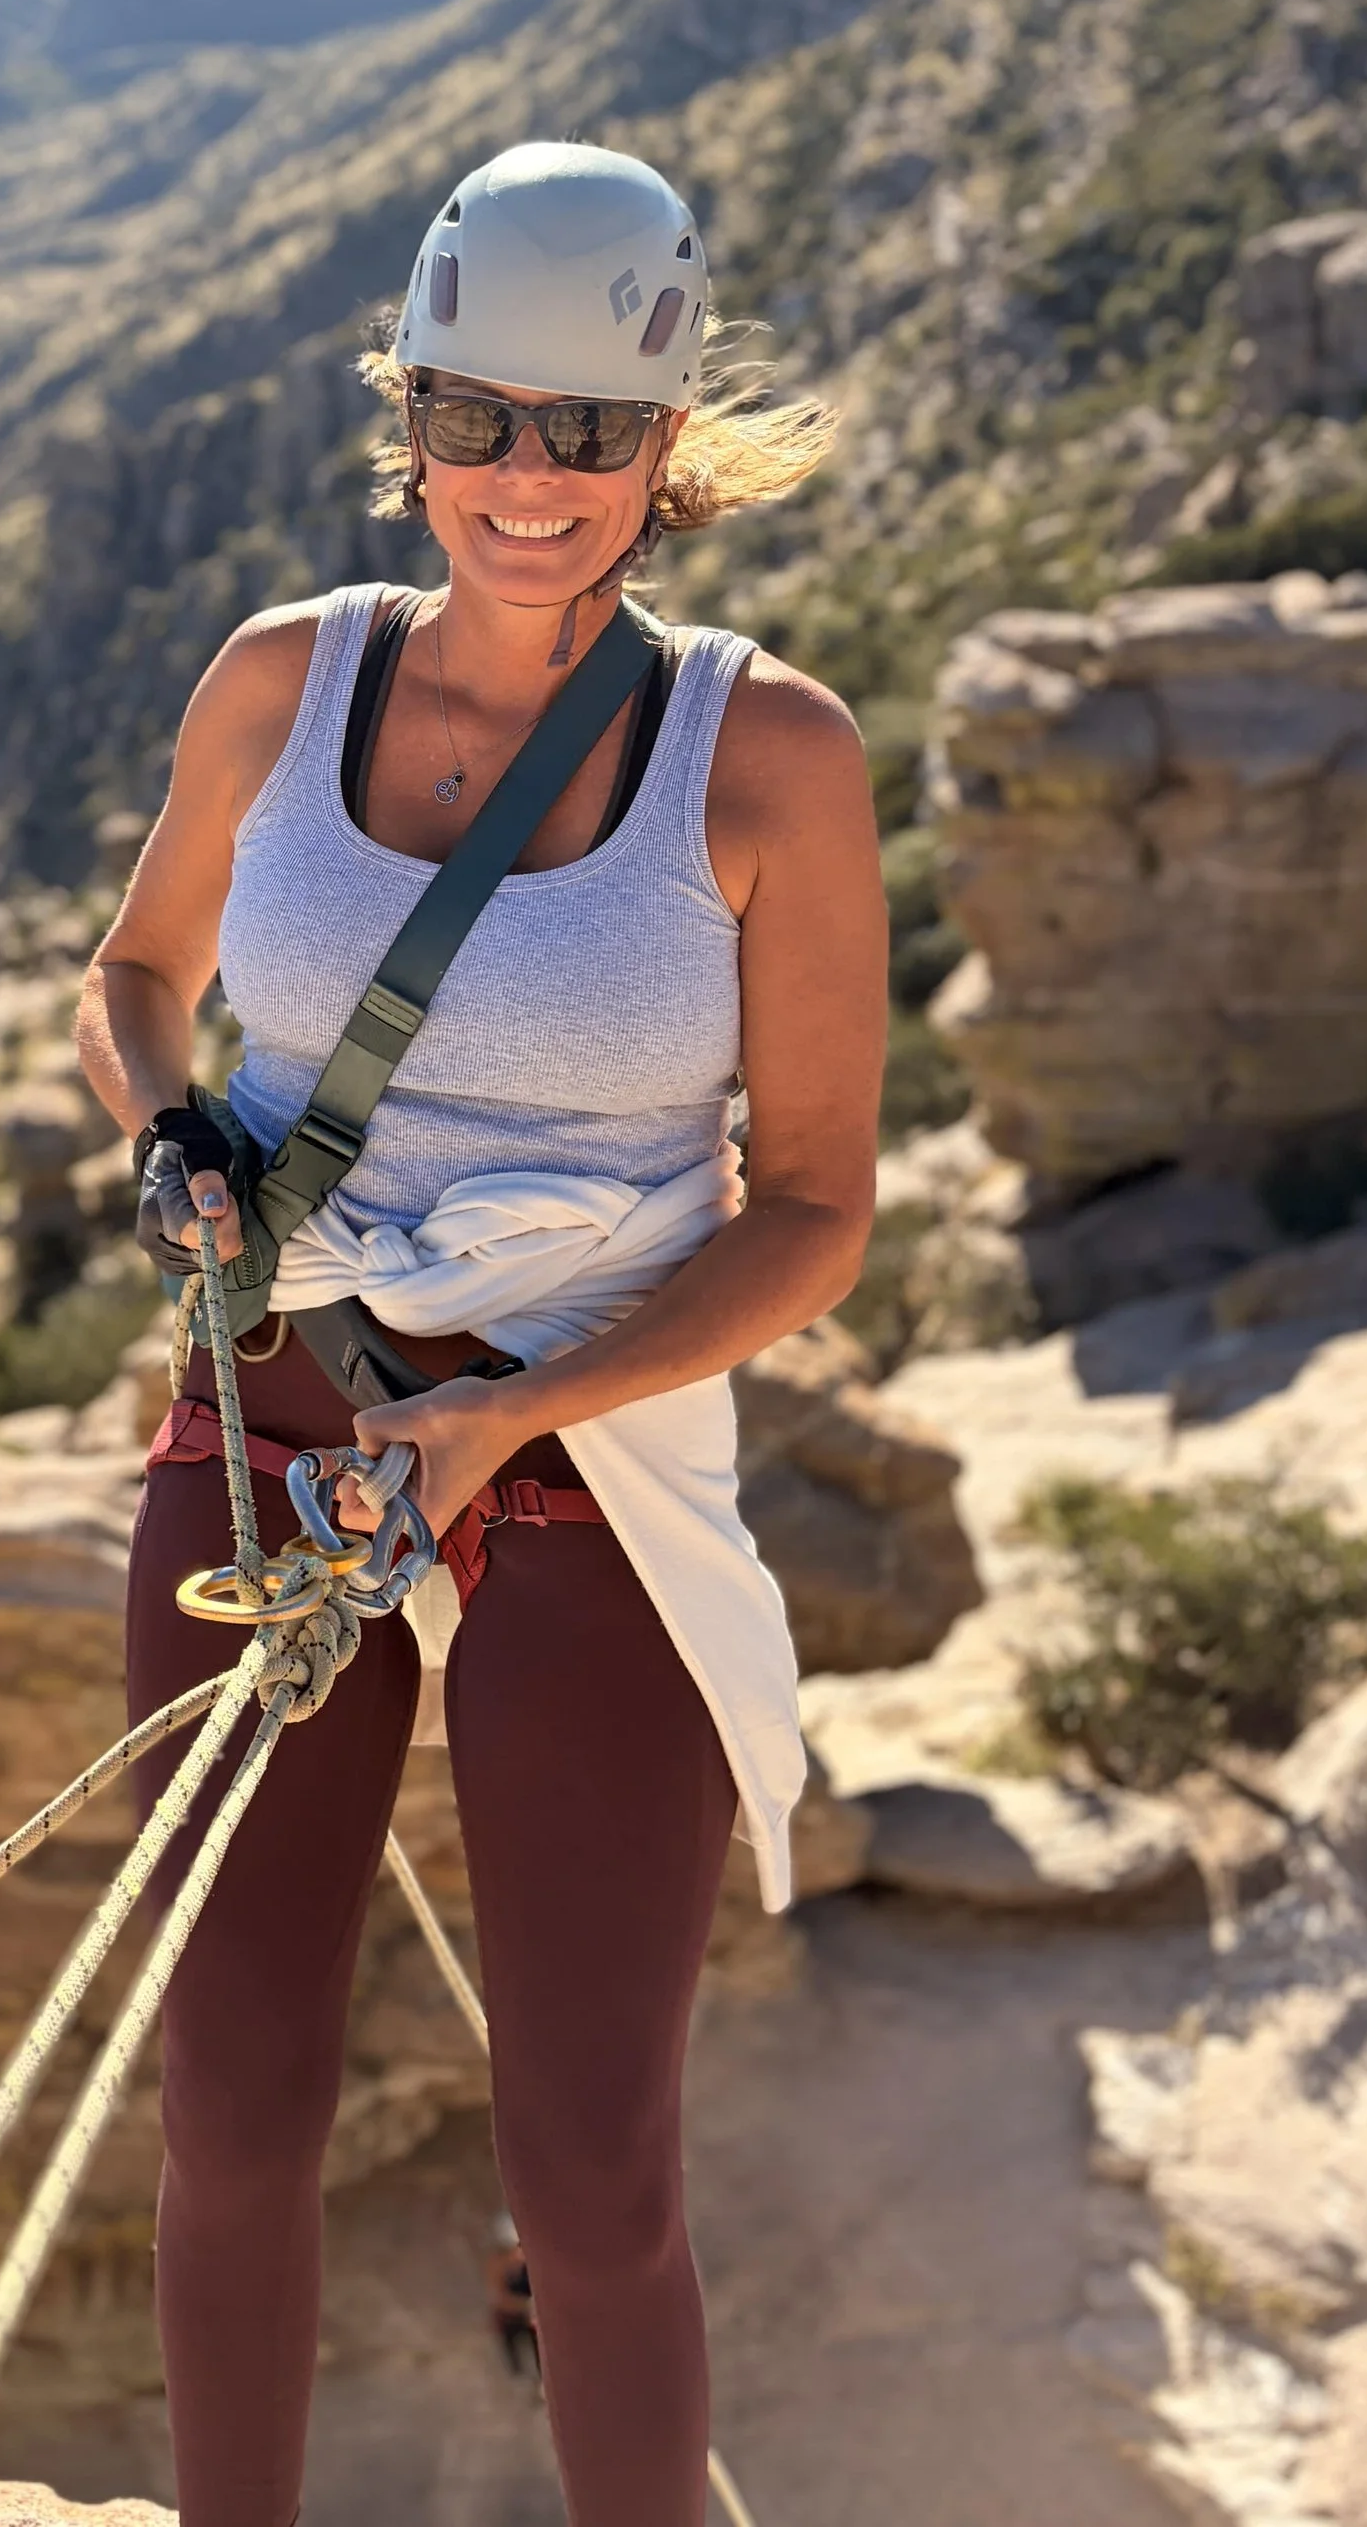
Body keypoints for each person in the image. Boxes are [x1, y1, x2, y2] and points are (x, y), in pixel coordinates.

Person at [74, 141, 886, 2527]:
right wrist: (165, 1135)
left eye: (586, 433)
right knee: (226, 2104)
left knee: (591, 2173)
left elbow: (819, 1210)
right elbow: (134, 977)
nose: (527, 484)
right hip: (276, 1405)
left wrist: (518, 1406)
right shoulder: (275, 675)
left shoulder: (768, 756)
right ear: (410, 418)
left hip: (583, 1453)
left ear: (665, 449)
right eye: (479, 420)